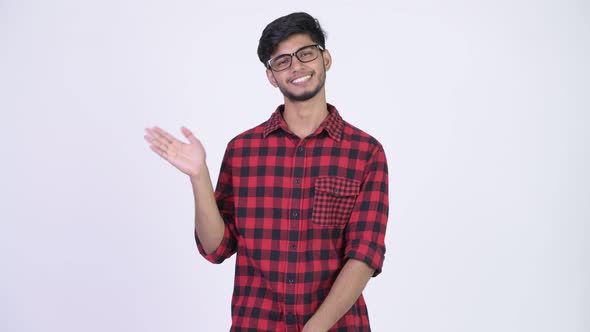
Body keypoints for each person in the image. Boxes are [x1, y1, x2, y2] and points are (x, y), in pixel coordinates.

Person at [144, 12, 389, 332]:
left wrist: (314, 329)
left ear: (325, 59)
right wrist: (199, 176)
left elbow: (364, 256)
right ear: (271, 76)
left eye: (306, 54)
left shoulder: (365, 153)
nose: (297, 66)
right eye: (282, 61)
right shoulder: (242, 151)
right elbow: (216, 248)